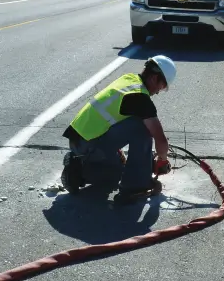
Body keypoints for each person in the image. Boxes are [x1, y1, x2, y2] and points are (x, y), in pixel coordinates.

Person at [61, 56, 176, 204]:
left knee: (123, 164)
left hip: (79, 138)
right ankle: (133, 188)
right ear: (154, 78)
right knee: (142, 131)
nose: (159, 91)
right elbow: (159, 139)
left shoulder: (129, 79)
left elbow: (115, 119)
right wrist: (162, 160)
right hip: (88, 145)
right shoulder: (140, 98)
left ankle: (80, 164)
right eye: (162, 86)